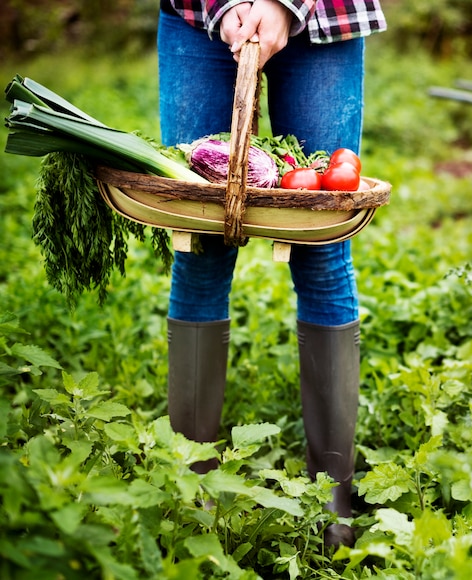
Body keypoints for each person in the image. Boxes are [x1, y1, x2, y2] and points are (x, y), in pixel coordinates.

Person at [157, 0, 386, 547]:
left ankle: (332, 503)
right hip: (199, 15)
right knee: (201, 241)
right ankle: (190, 490)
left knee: (322, 240)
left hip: (324, 15)